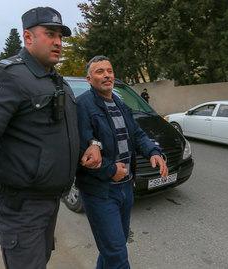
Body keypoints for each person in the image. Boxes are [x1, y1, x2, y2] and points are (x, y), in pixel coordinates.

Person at [0, 7, 102, 268]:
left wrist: (90, 146)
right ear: (28, 37)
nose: (58, 42)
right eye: (50, 34)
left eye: (61, 36)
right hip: (21, 207)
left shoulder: (58, 82)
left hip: (49, 202)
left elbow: (59, 134)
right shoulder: (4, 75)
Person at [76, 55, 168, 269]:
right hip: (101, 192)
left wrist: (152, 151)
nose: (107, 75)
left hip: (126, 188)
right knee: (117, 254)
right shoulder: (82, 105)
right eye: (100, 72)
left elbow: (136, 134)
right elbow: (82, 151)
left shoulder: (119, 101)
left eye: (109, 70)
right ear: (89, 79)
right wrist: (109, 171)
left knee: (113, 248)